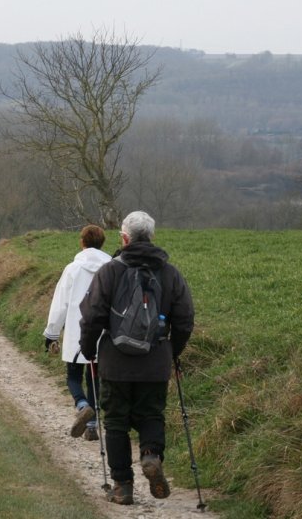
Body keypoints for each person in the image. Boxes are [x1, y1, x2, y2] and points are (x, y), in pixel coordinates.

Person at [79, 211, 194, 505]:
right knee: (151, 414)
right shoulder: (170, 273)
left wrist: (89, 350)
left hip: (114, 362)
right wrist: (172, 352)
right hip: (154, 361)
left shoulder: (110, 271)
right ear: (151, 237)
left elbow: (92, 316)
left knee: (115, 422)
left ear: (125, 238)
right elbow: (184, 319)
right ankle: (151, 455)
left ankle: (122, 487)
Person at [43, 225, 111, 440]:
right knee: (94, 379)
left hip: (76, 333)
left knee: (73, 377)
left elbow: (60, 304)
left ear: (82, 242)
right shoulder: (111, 268)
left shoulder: (72, 269)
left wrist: (52, 333)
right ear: (102, 243)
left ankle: (81, 405)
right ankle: (91, 427)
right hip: (102, 333)